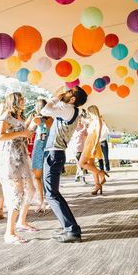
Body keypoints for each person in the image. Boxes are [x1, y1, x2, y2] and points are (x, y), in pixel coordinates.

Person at [41, 86, 87, 243]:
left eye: (69, 91)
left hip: (54, 153)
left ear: (73, 99)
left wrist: (55, 97)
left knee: (51, 194)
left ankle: (72, 230)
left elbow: (44, 111)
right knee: (53, 193)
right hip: (57, 153)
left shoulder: (67, 108)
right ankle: (70, 228)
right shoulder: (71, 110)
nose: (66, 92)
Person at [0, 92, 37, 244]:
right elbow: (0, 137)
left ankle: (22, 222)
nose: (24, 101)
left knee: (31, 189)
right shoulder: (6, 115)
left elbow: (22, 134)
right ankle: (9, 233)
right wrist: (22, 132)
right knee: (17, 192)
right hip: (9, 157)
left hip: (22, 155)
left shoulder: (21, 117)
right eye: (21, 99)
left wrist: (29, 130)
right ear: (14, 101)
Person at [79, 105, 109, 195]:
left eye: (89, 112)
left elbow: (98, 135)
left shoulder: (98, 120)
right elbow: (83, 118)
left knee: (81, 163)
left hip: (92, 143)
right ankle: (97, 185)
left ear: (92, 112)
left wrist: (95, 146)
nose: (88, 114)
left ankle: (101, 173)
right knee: (91, 165)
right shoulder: (92, 121)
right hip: (89, 142)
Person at [30, 99, 53, 213]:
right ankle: (50, 200)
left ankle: (41, 201)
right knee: (47, 177)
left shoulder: (37, 119)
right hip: (50, 150)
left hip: (39, 149)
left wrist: (31, 118)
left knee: (38, 177)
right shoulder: (52, 120)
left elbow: (28, 130)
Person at [72, 114, 88, 184]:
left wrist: (86, 128)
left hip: (83, 147)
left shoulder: (82, 126)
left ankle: (77, 177)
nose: (79, 121)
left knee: (81, 163)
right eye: (78, 119)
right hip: (76, 148)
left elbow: (86, 135)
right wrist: (84, 127)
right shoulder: (74, 127)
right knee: (80, 164)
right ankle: (82, 178)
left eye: (80, 119)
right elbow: (78, 134)